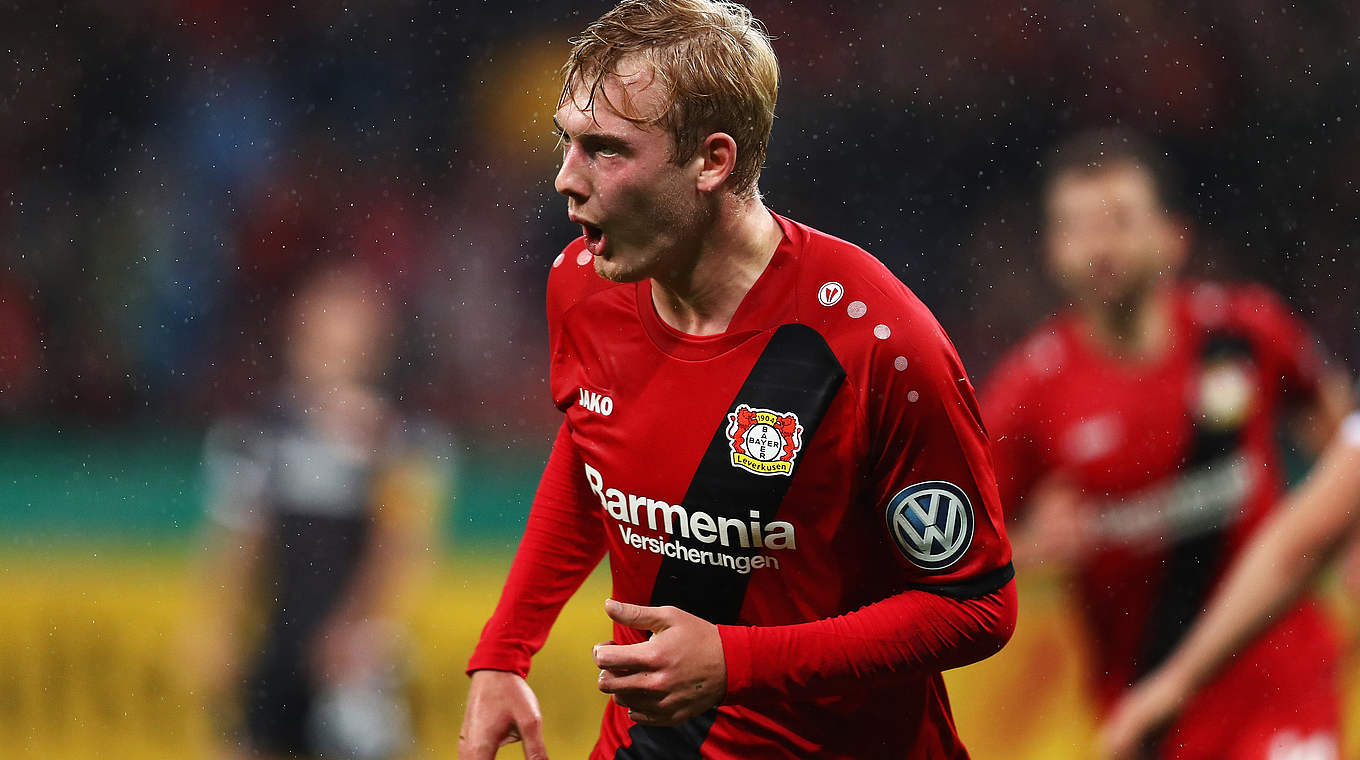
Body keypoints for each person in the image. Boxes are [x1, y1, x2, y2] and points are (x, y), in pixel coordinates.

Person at [458, 1, 1017, 757]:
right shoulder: (584, 283)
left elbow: (976, 607)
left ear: (712, 162)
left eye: (605, 150)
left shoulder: (879, 342)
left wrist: (739, 662)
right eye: (567, 142)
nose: (565, 178)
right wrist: (505, 649)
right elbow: (595, 442)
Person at [981, 128, 1355, 760]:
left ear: (1173, 237)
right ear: (1052, 249)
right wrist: (1029, 549)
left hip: (1281, 681)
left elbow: (1331, 423)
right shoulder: (1029, 392)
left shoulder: (1243, 333)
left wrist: (1339, 533)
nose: (1100, 246)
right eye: (1077, 227)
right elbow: (955, 546)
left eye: (1120, 221)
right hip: (1148, 708)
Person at [191, 267, 446, 760]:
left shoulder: (396, 438)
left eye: (347, 337)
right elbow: (238, 542)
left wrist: (357, 627)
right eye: (323, 334)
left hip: (355, 656)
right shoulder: (260, 432)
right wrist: (218, 625)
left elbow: (401, 547)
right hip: (278, 642)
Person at [1101, 409, 1360, 759]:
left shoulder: (1266, 354)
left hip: (1276, 671)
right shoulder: (1036, 385)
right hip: (1186, 668)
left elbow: (1299, 549)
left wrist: (1177, 680)